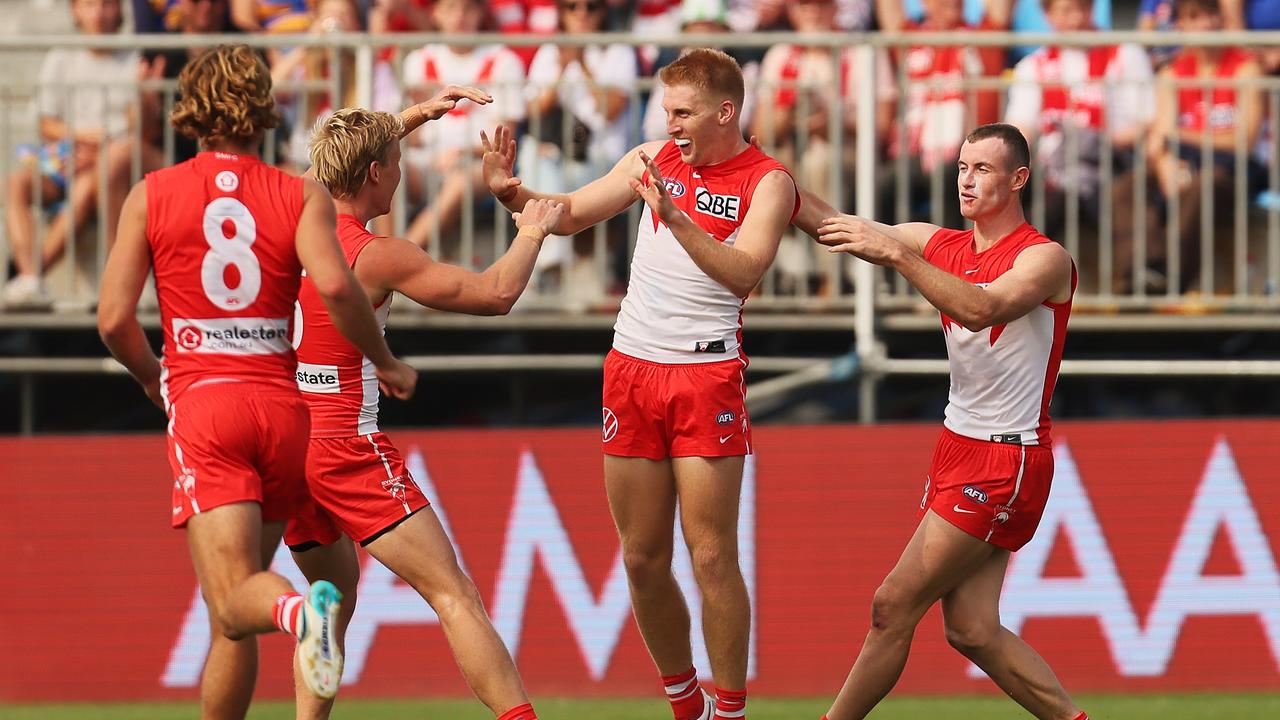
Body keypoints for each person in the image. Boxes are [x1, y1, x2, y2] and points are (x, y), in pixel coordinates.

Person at [96, 44, 417, 716]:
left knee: (236, 599)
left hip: (206, 405)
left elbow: (114, 321)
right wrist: (383, 361)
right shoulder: (298, 193)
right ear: (262, 109)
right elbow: (334, 284)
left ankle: (304, 615)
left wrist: (155, 380)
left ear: (189, 108)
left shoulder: (150, 194)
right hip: (283, 411)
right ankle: (303, 612)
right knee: (231, 616)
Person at [483, 47, 799, 720]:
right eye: (667, 110)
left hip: (705, 372)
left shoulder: (767, 181)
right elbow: (566, 213)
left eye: (683, 112)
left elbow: (746, 273)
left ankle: (731, 710)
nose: (672, 123)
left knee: (712, 556)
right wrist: (516, 194)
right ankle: (686, 703)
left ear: (725, 111)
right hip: (631, 368)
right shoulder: (652, 157)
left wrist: (677, 217)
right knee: (640, 558)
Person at [282, 90, 559, 720]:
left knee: (330, 599)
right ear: (374, 173)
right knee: (453, 592)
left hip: (287, 447)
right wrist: (533, 230)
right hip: (344, 446)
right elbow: (494, 294)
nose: (403, 171)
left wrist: (413, 117)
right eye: (395, 159)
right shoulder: (377, 254)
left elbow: (329, 166)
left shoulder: (290, 222)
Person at [800, 123, 1087, 720]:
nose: (967, 179)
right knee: (973, 630)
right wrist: (759, 176)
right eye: (961, 167)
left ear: (1019, 179)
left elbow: (980, 308)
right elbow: (835, 224)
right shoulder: (946, 244)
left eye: (982, 168)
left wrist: (900, 255)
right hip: (959, 445)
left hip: (1006, 455)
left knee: (892, 604)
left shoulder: (1044, 258)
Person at [3, 0, 136, 308]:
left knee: (89, 185)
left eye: (106, 5)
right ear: (75, 11)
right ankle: (30, 278)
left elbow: (138, 127)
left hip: (107, 168)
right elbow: (45, 122)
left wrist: (97, 150)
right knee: (16, 184)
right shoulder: (61, 57)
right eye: (90, 5)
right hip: (64, 161)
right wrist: (81, 140)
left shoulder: (135, 59)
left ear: (118, 11)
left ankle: (28, 277)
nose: (99, 14)